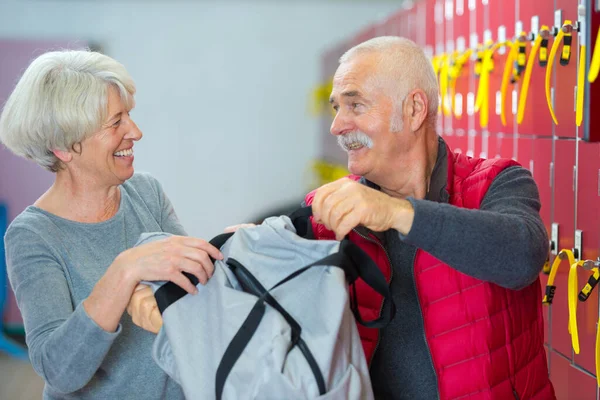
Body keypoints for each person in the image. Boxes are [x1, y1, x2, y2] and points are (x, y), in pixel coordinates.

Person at [130, 37, 556, 399]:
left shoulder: (498, 182)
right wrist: (170, 300)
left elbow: (521, 257)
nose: (336, 125)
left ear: (413, 110)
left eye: (355, 104)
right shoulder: (327, 214)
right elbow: (249, 297)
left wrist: (396, 212)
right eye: (336, 106)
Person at [0, 49, 222, 399]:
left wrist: (233, 249)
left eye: (128, 115)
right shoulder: (34, 236)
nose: (135, 132)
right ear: (62, 146)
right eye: (115, 122)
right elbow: (59, 370)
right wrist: (125, 270)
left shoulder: (146, 192)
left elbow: (194, 297)